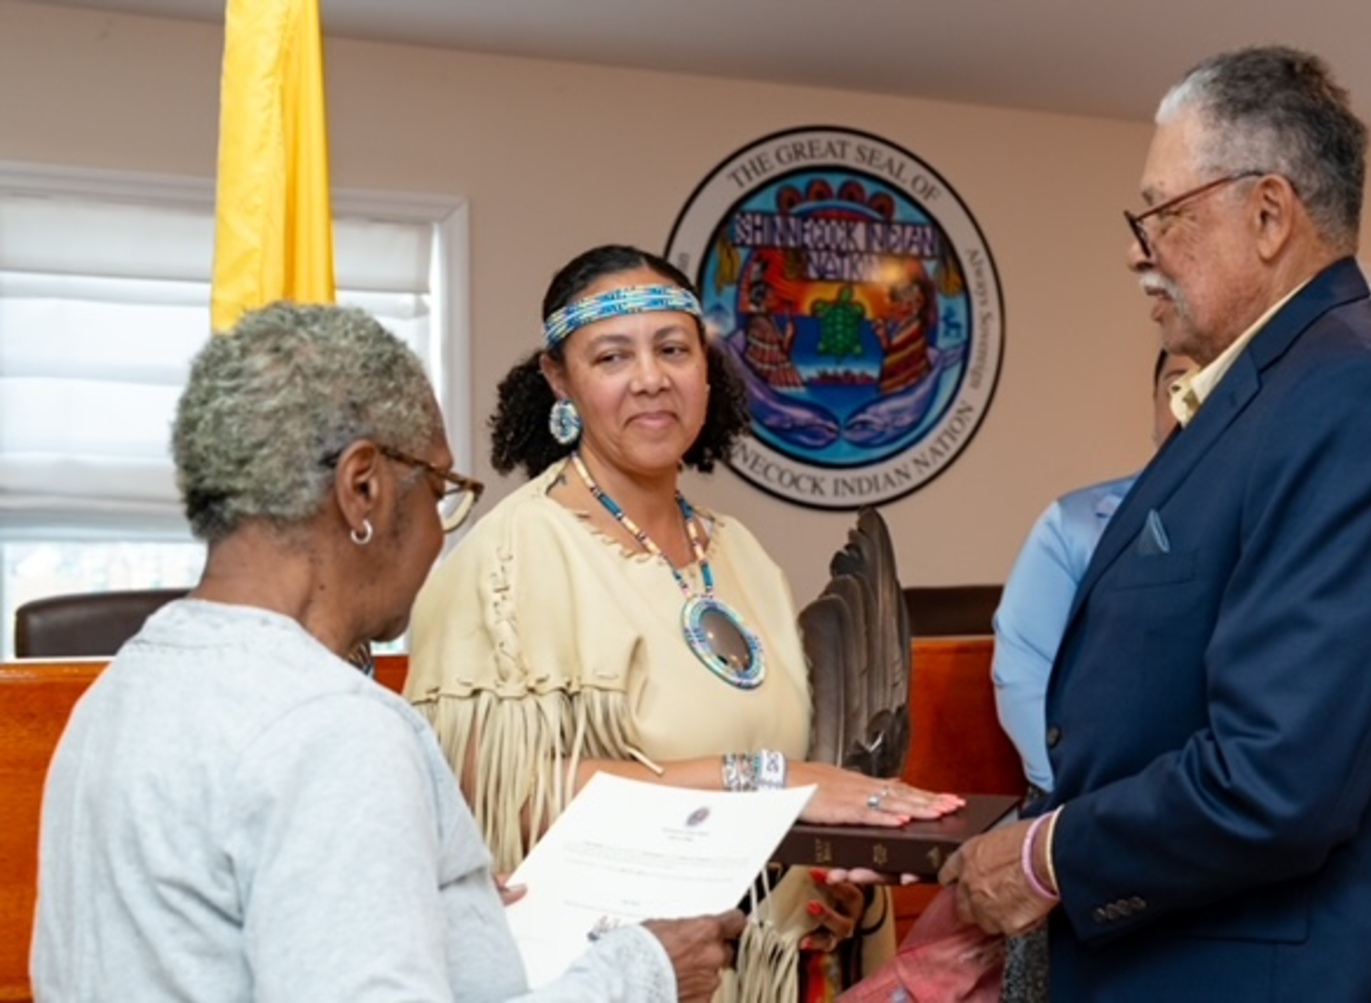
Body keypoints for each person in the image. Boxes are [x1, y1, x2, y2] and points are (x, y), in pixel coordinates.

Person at [941, 45, 1371, 1002]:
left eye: (1158, 215)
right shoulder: (1273, 392)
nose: (1135, 249)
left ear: (1269, 214)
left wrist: (1045, 857)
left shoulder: (1355, 399)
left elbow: (1275, 778)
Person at [31, 302, 745, 1002]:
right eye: (439, 489)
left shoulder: (115, 695)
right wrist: (641, 970)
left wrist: (426, 918)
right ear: (362, 486)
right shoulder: (334, 730)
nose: (441, 533)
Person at [404, 244, 961, 1002]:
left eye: (673, 348)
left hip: (763, 973)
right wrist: (778, 783)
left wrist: (828, 878)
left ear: (706, 368)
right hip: (607, 976)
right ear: (559, 379)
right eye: (612, 356)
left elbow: (802, 771)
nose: (650, 377)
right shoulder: (509, 557)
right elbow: (513, 795)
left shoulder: (740, 554)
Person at [992, 349, 1192, 798]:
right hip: (1084, 810)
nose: (1191, 402)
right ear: (1153, 408)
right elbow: (1026, 680)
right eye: (1176, 386)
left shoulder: (1276, 522)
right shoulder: (1073, 526)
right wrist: (1095, 810)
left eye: (1213, 384)